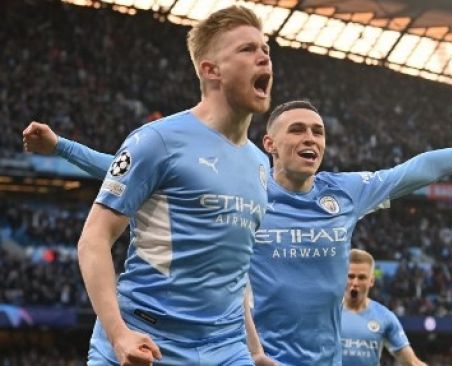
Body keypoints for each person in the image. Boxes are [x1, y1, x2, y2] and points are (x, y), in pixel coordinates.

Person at [24, 100, 452, 365]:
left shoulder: (346, 192)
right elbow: (125, 171)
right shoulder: (244, 184)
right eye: (298, 130)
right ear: (269, 142)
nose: (311, 139)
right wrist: (62, 146)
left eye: (319, 132)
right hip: (252, 356)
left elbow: (419, 169)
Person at [26, 6, 275, 366]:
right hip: (146, 341)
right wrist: (118, 335)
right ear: (211, 70)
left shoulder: (259, 163)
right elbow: (93, 238)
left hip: (225, 348)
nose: (264, 55)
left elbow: (235, 273)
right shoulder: (158, 141)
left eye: (266, 48)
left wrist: (254, 352)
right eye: (247, 49)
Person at [341, 249, 427, 366]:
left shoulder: (384, 317)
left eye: (361, 278)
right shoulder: (324, 313)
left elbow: (412, 362)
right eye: (350, 276)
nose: (355, 282)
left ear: (371, 281)